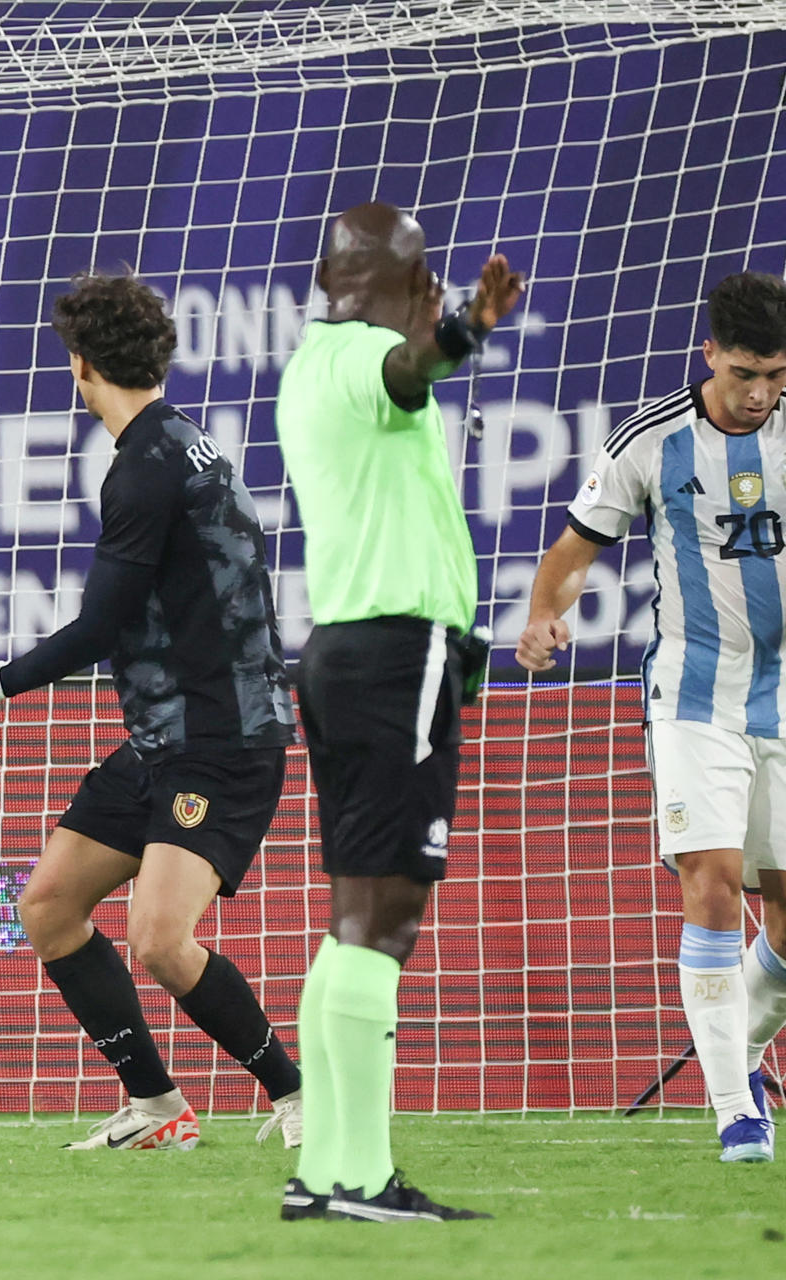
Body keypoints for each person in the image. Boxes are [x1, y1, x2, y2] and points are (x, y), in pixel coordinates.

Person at [516, 271, 786, 1161]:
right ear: (710, 353)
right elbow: (570, 551)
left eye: (777, 374)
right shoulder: (650, 443)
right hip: (693, 700)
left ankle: (736, 1058)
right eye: (747, 372)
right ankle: (735, 1113)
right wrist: (542, 614)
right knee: (711, 885)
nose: (761, 393)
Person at [0, 270, 304, 1151]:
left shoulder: (144, 467)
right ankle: (157, 1108)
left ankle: (298, 1096)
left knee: (158, 937)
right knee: (49, 907)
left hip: (219, 742)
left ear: (79, 365)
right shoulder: (182, 441)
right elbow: (148, 616)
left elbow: (99, 626)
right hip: (165, 738)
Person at [274, 201, 522, 1222]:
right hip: (391, 648)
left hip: (349, 650)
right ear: (388, 281)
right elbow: (410, 373)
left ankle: (327, 1172)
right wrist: (459, 332)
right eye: (423, 275)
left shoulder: (311, 364)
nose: (430, 288)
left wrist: (446, 328)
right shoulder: (363, 357)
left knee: (352, 917)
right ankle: (361, 1176)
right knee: (389, 914)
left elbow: (406, 376)